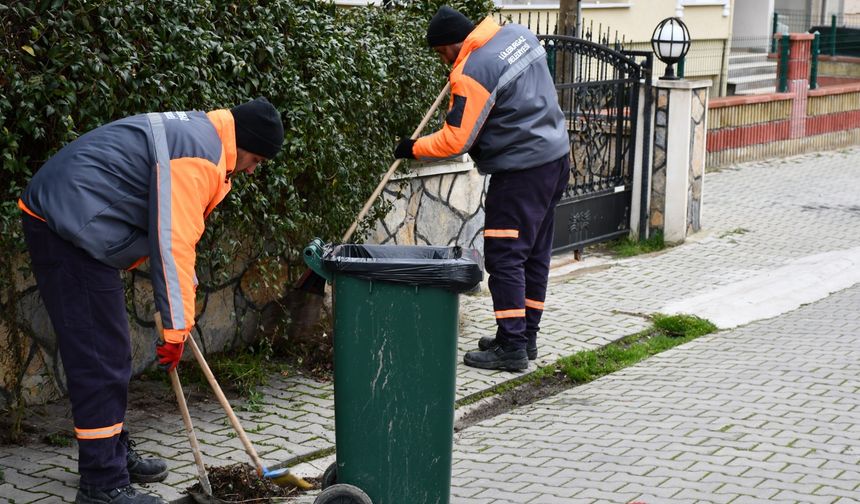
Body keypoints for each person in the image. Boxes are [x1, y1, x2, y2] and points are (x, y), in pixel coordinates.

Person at [18, 97, 285, 503]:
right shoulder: (200, 156)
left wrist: (182, 302)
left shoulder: (204, 138)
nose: (251, 170)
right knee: (100, 356)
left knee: (108, 353)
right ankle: (102, 485)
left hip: (81, 220)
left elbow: (177, 234)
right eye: (256, 161)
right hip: (66, 224)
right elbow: (172, 242)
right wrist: (176, 327)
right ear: (245, 144)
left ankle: (111, 453)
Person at [394, 7, 571, 372]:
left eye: (441, 53)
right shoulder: (518, 35)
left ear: (450, 45)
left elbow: (456, 139)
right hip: (555, 159)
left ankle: (511, 348)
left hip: (520, 172)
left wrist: (411, 148)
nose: (443, 61)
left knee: (505, 257)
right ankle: (525, 337)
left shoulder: (473, 72)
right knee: (534, 254)